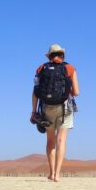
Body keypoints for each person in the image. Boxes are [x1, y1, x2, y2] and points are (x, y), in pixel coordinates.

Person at [31, 44, 80, 182]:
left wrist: (33, 111)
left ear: (50, 56)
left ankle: (51, 173)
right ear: (62, 55)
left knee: (50, 140)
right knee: (61, 140)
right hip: (65, 107)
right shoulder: (70, 68)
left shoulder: (41, 69)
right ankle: (57, 175)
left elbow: (35, 92)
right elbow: (76, 92)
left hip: (47, 107)